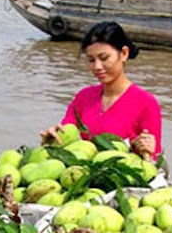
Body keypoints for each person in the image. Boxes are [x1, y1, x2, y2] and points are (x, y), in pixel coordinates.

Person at [40, 21, 162, 158]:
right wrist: (50, 141)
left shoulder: (146, 103)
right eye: (91, 60)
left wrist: (147, 150)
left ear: (124, 54)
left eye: (104, 58)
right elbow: (65, 138)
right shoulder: (84, 97)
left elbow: (152, 160)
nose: (97, 67)